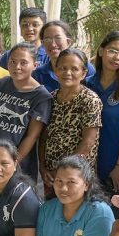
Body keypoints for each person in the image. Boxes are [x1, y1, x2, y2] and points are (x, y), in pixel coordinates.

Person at [0, 42, 52, 183]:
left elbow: (32, 136)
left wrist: (14, 163)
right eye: (13, 62)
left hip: (18, 163)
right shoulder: (0, 84)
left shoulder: (41, 96)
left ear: (35, 65)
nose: (17, 67)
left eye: (24, 63)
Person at [40, 48, 101, 198]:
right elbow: (43, 137)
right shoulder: (50, 98)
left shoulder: (90, 100)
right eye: (63, 68)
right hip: (50, 176)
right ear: (56, 70)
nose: (68, 73)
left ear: (84, 73)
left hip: (76, 175)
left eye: (74, 69)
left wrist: (62, 172)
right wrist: (43, 168)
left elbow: (88, 143)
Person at [85, 31, 119, 192]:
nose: (117, 57)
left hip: (114, 163)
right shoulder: (87, 83)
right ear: (102, 51)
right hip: (86, 162)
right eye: (113, 51)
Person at [31, 20, 92, 93]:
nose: (53, 44)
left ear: (68, 42)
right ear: (43, 43)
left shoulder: (85, 67)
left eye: (58, 38)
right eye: (47, 39)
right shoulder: (38, 73)